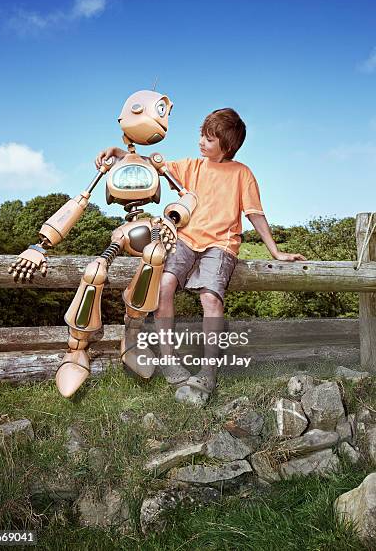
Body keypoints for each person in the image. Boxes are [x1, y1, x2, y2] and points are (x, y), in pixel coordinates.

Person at [95, 108, 306, 405]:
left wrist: (275, 251)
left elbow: (254, 214)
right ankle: (169, 359)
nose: (201, 142)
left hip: (220, 244)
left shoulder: (242, 173)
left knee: (211, 299)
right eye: (202, 136)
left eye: (209, 139)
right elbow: (151, 165)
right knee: (164, 285)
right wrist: (120, 153)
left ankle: (209, 370)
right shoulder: (192, 166)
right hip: (185, 239)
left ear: (227, 145)